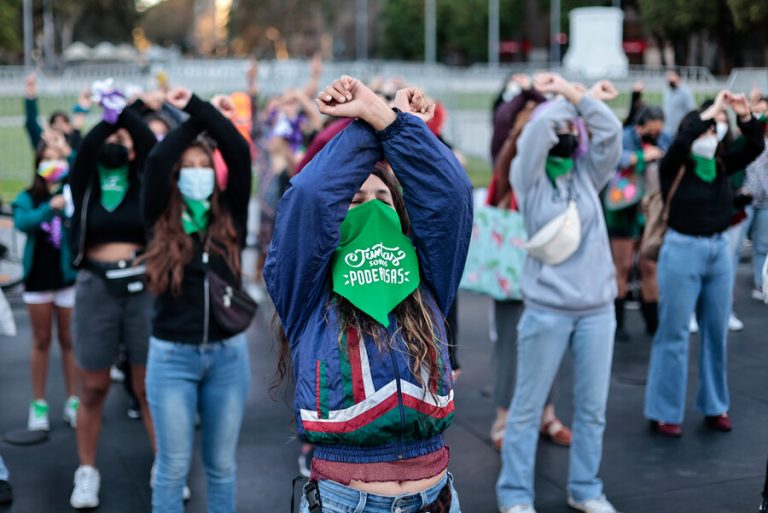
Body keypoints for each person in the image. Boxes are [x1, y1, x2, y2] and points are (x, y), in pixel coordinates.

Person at [265, 75, 472, 512]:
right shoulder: (307, 292)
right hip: (346, 502)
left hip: (437, 498)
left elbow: (451, 195)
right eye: (356, 200)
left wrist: (389, 121)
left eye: (383, 198)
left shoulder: (429, 280)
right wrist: (373, 119)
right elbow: (309, 197)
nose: (373, 208)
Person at [496, 73, 623, 513]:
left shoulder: (589, 175)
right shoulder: (527, 180)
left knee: (592, 410)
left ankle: (586, 488)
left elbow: (610, 131)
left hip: (597, 312)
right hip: (547, 311)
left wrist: (578, 97)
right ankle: (514, 495)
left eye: (573, 131)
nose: (567, 135)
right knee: (526, 410)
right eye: (561, 129)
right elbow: (536, 134)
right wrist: (565, 103)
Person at [142, 87, 252, 513]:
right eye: (187, 166)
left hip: (228, 356)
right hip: (172, 357)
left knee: (221, 466)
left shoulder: (230, 214)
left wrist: (203, 110)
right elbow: (155, 161)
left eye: (203, 165)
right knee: (171, 467)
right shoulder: (158, 216)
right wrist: (194, 119)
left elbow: (238, 153)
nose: (195, 172)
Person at [644, 91, 764, 437]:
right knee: (674, 332)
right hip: (681, 250)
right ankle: (664, 410)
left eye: (716, 130)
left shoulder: (724, 164)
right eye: (707, 130)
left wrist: (743, 115)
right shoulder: (674, 165)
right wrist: (709, 111)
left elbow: (755, 144)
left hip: (718, 251)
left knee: (716, 331)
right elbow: (682, 141)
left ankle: (715, 405)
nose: (712, 136)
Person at [68, 86, 157, 509]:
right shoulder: (84, 180)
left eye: (123, 141)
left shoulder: (145, 177)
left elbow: (149, 143)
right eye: (110, 139)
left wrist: (125, 113)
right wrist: (108, 117)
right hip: (95, 288)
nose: (116, 144)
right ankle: (87, 471)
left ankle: (165, 467)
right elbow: (86, 147)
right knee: (93, 387)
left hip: (141, 288)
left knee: (147, 386)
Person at [488, 80, 572, 450]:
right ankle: (503, 418)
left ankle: (547, 413)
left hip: (550, 261)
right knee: (510, 340)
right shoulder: (508, 154)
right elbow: (501, 179)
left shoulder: (558, 161)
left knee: (551, 336)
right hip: (512, 262)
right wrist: (527, 100)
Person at [12, 143, 79, 432]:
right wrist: (48, 209)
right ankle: (38, 403)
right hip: (38, 278)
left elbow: (83, 165)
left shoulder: (71, 192)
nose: (53, 164)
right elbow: (22, 223)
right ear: (38, 164)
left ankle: (74, 400)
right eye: (47, 160)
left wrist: (68, 148)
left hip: (66, 279)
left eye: (58, 159)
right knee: (41, 340)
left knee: (69, 341)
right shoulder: (28, 197)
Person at [605, 105, 671, 338]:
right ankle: (617, 324)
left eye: (658, 131)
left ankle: (653, 323)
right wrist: (643, 155)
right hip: (622, 208)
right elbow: (616, 159)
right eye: (651, 131)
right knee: (621, 266)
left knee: (649, 266)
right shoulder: (625, 137)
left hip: (650, 211)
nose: (655, 135)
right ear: (640, 127)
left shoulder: (665, 138)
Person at [663, 70, 696, 135]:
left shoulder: (685, 92)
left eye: (672, 76)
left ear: (679, 78)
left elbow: (691, 110)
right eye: (668, 76)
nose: (669, 78)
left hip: (679, 129)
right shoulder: (667, 90)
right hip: (667, 128)